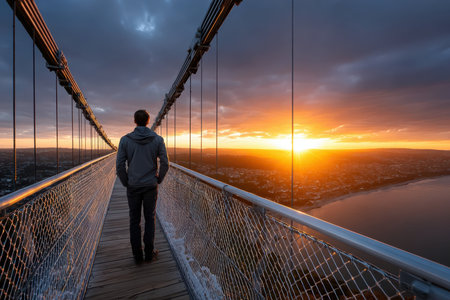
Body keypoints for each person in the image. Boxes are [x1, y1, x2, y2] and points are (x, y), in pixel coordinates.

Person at [116, 109, 169, 264]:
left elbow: (119, 165)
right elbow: (165, 163)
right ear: (148, 120)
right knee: (149, 219)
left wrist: (126, 182)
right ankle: (149, 253)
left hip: (133, 186)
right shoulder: (158, 140)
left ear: (134, 121)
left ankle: (137, 256)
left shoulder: (125, 140)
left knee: (134, 220)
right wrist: (159, 179)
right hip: (150, 186)